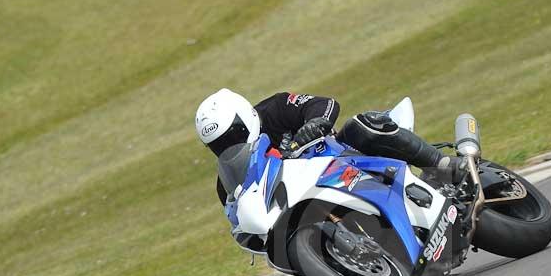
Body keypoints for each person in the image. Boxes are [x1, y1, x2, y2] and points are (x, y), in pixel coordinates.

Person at [194, 88, 467, 205]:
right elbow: (238, 215)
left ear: (246, 117)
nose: (231, 145)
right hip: (310, 202)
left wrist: (314, 124)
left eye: (234, 135)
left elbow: (325, 104)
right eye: (220, 145)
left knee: (362, 126)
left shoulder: (274, 108)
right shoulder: (229, 183)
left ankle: (442, 164)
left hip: (341, 157)